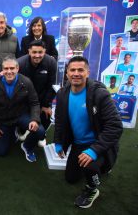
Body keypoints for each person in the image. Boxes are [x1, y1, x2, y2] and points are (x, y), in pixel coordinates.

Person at [53, 56, 123, 208]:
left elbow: (115, 126)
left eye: (80, 70)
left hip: (97, 144)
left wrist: (94, 151)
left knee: (90, 167)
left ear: (88, 73)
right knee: (71, 178)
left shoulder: (100, 94)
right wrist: (58, 142)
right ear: (67, 74)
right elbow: (59, 120)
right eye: (72, 70)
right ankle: (95, 166)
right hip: (78, 144)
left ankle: (93, 189)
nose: (76, 73)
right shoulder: (62, 94)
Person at [0, 56, 45, 161]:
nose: (9, 71)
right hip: (3, 118)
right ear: (2, 69)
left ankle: (27, 146)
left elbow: (34, 103)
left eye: (12, 68)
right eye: (6, 68)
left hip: (20, 116)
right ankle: (12, 132)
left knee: (40, 131)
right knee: (1, 152)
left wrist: (34, 119)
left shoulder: (26, 81)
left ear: (17, 68)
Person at [17, 40, 57, 146]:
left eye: (40, 52)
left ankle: (41, 135)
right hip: (24, 100)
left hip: (43, 98)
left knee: (46, 113)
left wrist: (45, 105)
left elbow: (51, 85)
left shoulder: (51, 62)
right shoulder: (20, 63)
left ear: (44, 51)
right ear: (29, 51)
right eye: (34, 52)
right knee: (22, 116)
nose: (37, 55)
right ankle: (22, 130)